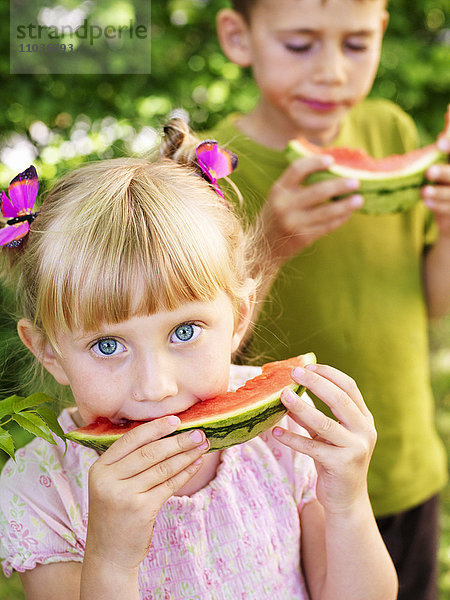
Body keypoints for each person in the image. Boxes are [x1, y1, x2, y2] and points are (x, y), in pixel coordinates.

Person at [0, 120, 397, 600]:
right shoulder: (41, 490)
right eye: (108, 345)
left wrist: (349, 504)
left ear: (238, 317)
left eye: (184, 332)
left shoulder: (284, 436)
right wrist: (112, 559)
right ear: (49, 352)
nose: (156, 386)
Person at [207, 1, 450, 598]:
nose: (333, 73)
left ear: (382, 33)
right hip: (287, 483)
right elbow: (198, 342)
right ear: (239, 38)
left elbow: (434, 301)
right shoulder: (212, 169)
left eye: (357, 44)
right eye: (300, 45)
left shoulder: (390, 127)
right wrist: (268, 243)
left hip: (404, 464)